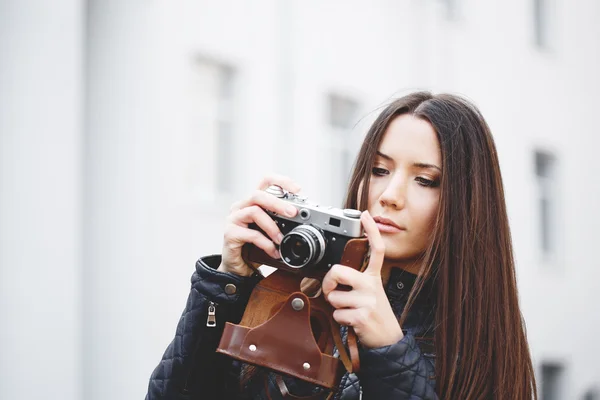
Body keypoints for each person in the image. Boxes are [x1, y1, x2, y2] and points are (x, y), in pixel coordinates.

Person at [145, 91, 538, 399]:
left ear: (469, 204)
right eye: (379, 170)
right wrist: (225, 285)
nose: (390, 195)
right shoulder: (293, 295)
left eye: (426, 180)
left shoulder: (478, 334)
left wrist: (389, 349)